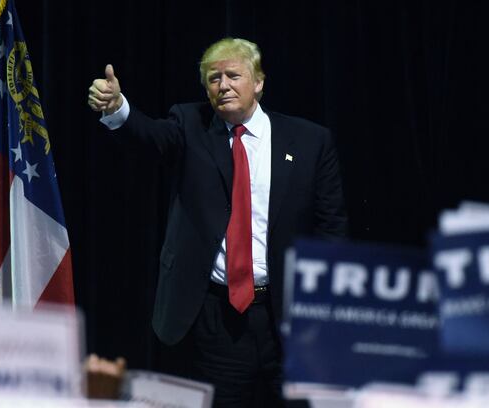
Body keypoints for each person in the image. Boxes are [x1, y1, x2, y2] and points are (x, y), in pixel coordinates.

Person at [88, 38, 347, 407]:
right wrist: (118, 110)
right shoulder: (189, 125)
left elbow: (331, 228)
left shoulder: (309, 140)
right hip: (217, 319)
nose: (222, 85)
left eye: (233, 75)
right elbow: (150, 136)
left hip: (289, 318)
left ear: (258, 82)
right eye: (213, 78)